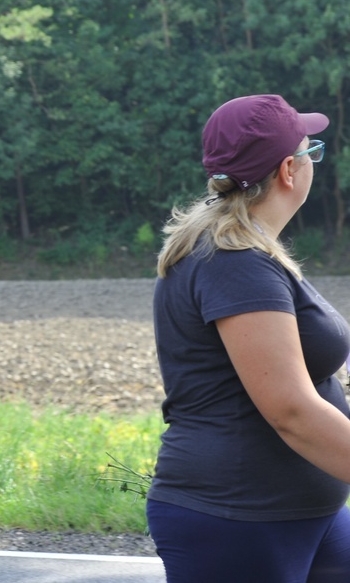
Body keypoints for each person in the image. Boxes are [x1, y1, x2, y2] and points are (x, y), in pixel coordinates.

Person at [147, 93, 350, 582]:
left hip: (303, 513)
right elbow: (291, 411)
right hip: (241, 519)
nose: (313, 160)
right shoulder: (234, 263)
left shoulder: (243, 250)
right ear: (288, 170)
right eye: (311, 150)